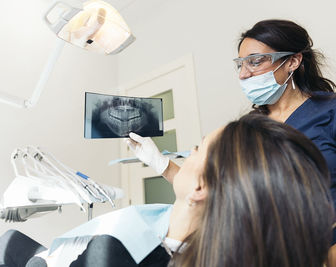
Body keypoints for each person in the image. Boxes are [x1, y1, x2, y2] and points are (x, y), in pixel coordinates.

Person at [0, 114, 333, 267]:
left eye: (196, 149)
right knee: (12, 240)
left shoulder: (114, 255)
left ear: (200, 187)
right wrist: (159, 163)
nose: (186, 155)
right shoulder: (201, 243)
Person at [128, 18, 336, 262]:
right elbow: (216, 191)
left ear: (292, 61)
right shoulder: (250, 126)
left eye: (255, 62)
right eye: (240, 65)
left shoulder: (329, 110)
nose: (243, 74)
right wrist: (160, 164)